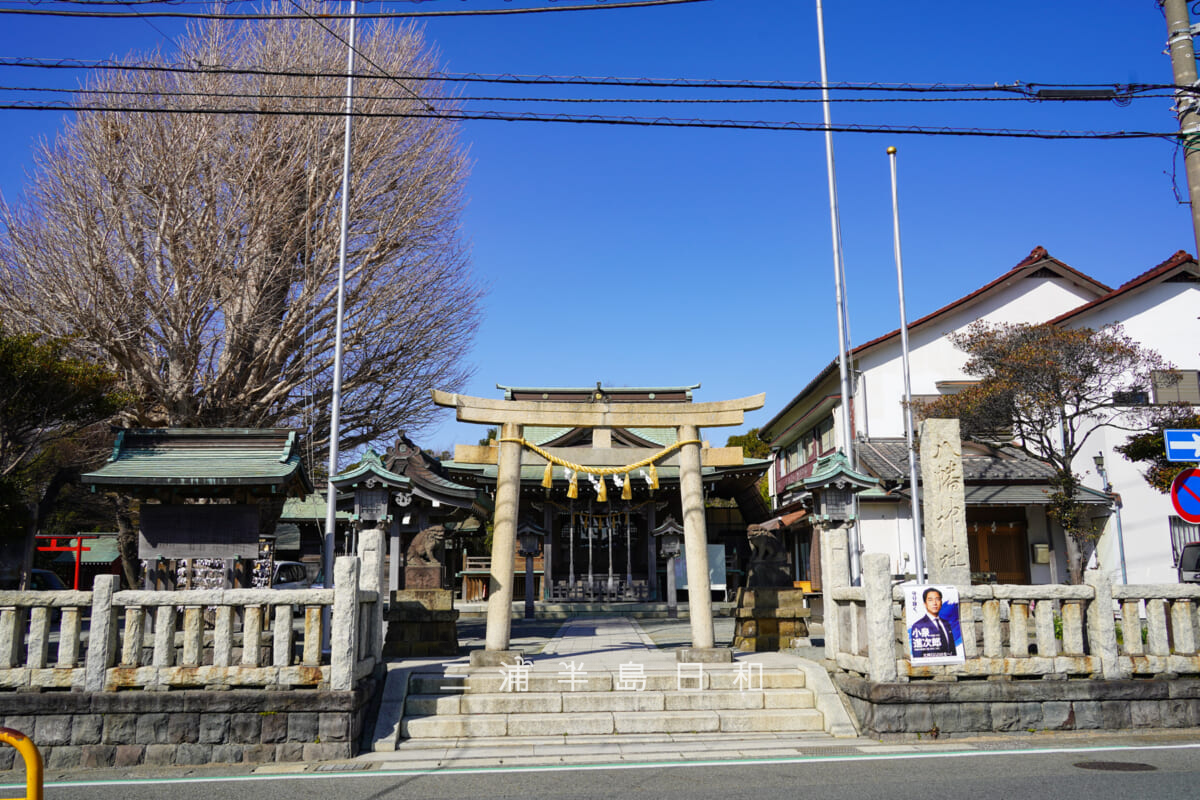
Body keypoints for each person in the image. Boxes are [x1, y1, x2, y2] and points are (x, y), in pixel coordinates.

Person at [909, 587, 958, 658]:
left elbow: (952, 649)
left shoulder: (946, 623)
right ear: (925, 604)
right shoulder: (918, 625)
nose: (934, 603)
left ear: (941, 602)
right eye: (930, 600)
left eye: (937, 599)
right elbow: (918, 654)